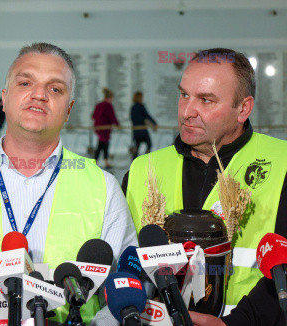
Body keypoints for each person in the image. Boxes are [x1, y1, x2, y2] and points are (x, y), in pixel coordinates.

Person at [0, 42, 138, 325]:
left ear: (69, 109)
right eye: (25, 82)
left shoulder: (104, 187)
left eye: (55, 89)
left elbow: (126, 289)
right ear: (3, 97)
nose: (39, 94)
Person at [122, 48, 287, 322]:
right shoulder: (143, 169)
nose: (187, 111)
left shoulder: (282, 163)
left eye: (206, 100)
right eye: (184, 94)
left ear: (243, 108)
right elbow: (125, 264)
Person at [92, 88, 119, 168]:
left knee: (101, 144)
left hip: (97, 127)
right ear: (110, 98)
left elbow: (93, 116)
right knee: (104, 144)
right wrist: (117, 124)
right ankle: (104, 162)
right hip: (105, 128)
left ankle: (97, 161)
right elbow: (112, 116)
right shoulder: (108, 105)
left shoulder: (98, 105)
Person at [129, 91, 157, 158]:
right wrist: (154, 123)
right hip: (142, 131)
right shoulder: (141, 106)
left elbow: (132, 119)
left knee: (137, 147)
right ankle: (145, 159)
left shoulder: (133, 107)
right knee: (149, 145)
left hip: (136, 131)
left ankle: (134, 162)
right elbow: (147, 115)